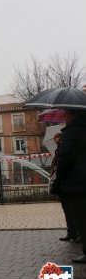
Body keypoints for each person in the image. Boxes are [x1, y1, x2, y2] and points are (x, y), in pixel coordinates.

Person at [55, 110, 86, 263]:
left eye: (66, 114)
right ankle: (73, 232)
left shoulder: (71, 133)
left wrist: (58, 180)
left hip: (76, 183)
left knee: (81, 217)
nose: (64, 117)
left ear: (73, 115)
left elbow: (65, 159)